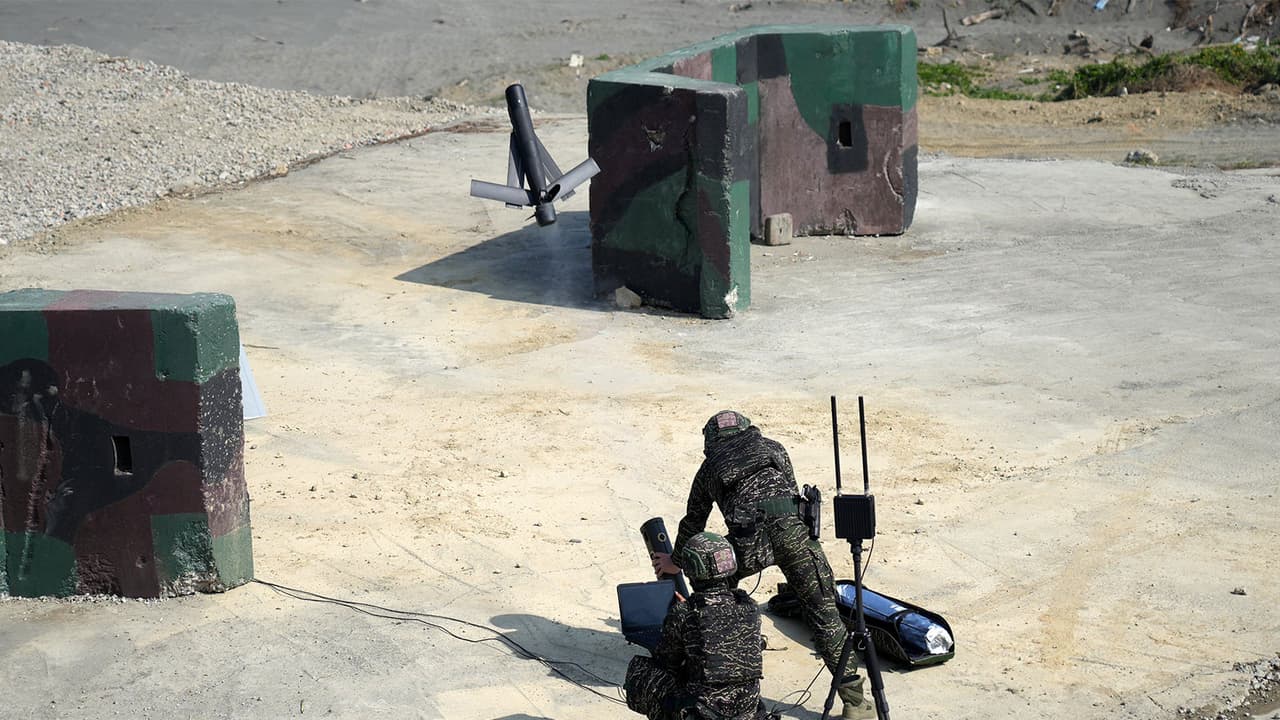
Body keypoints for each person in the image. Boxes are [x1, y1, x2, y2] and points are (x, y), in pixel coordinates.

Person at [652, 410, 875, 720]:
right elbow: (792, 495)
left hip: (747, 543)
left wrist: (675, 563)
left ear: (711, 442)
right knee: (824, 614)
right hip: (795, 537)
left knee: (714, 591)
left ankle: (714, 661)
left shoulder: (709, 468)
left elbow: (694, 521)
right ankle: (856, 703)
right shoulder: (774, 449)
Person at [625, 532, 771, 720]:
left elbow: (667, 661)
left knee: (642, 670)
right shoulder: (749, 606)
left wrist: (680, 615)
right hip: (748, 711)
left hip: (703, 713)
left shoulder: (685, 613)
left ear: (691, 569)